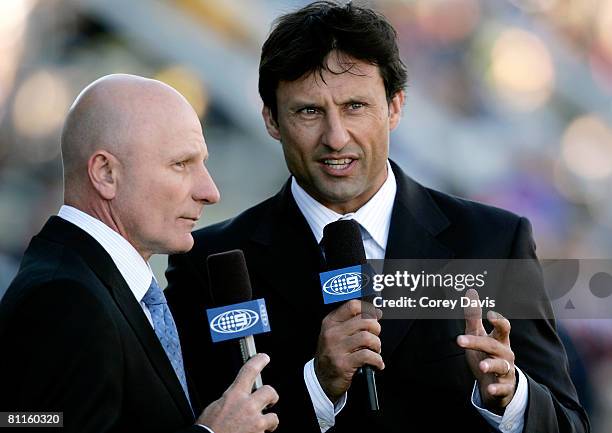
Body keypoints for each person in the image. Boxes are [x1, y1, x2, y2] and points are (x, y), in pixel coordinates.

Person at [165, 2, 589, 432]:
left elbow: (570, 422)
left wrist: (511, 397)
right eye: (309, 111)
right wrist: (317, 384)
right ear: (272, 120)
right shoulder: (210, 262)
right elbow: (199, 422)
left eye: (355, 107)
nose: (335, 137)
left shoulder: (494, 241)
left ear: (395, 107)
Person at [0, 74, 280, 433]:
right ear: (105, 173)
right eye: (181, 164)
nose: (209, 191)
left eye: (203, 163)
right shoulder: (65, 299)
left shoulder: (100, 288)